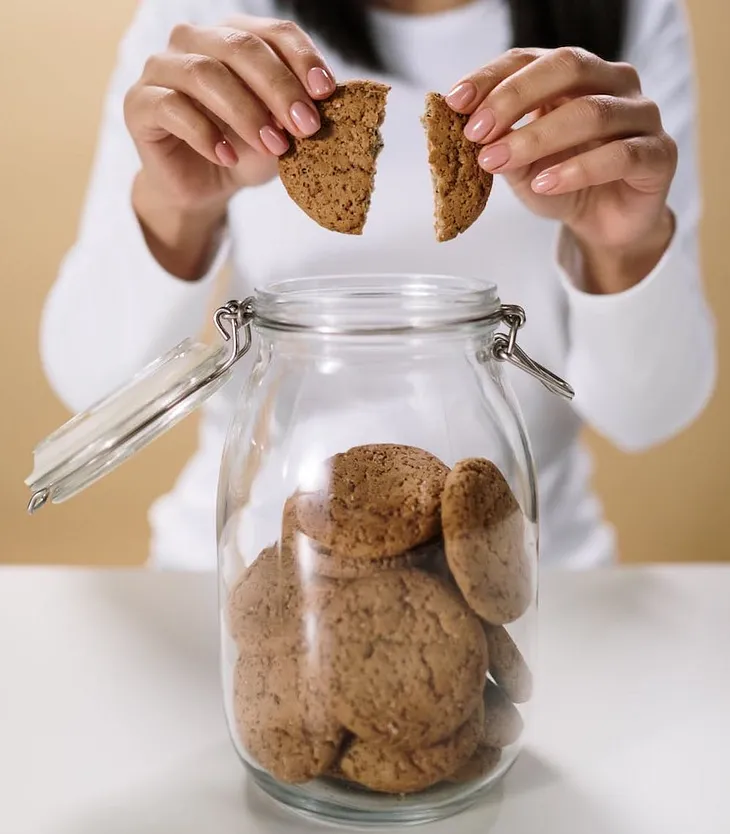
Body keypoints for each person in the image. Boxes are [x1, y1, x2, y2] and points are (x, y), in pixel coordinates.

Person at [39, 0, 716, 570]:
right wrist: (176, 205)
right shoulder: (210, 14)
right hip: (255, 560)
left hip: (525, 569)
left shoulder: (628, 16)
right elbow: (90, 382)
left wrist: (622, 247)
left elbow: (649, 414)